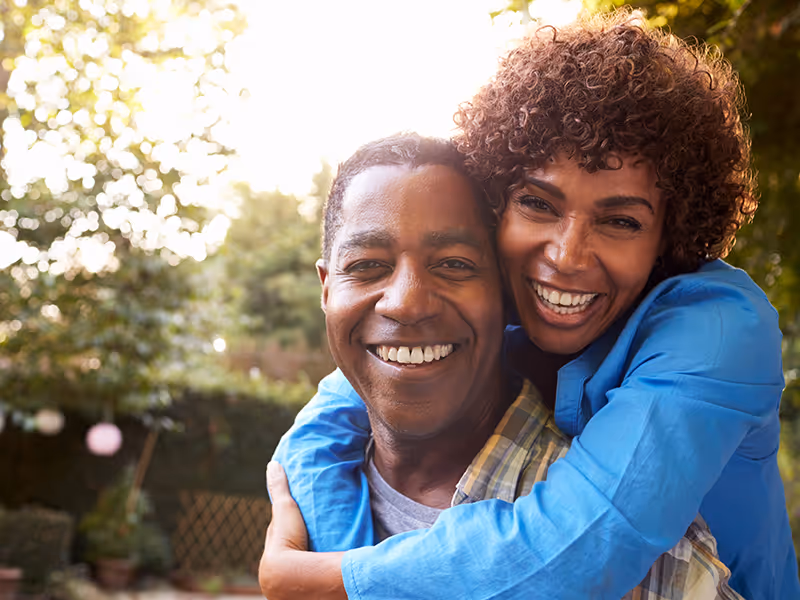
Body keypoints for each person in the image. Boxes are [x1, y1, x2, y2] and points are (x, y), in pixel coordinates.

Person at [261, 10, 799, 600]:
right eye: (538, 204)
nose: (567, 256)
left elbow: (580, 550)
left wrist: (326, 581)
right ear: (499, 207)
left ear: (668, 235)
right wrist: (331, 548)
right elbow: (340, 407)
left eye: (620, 220)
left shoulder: (718, 330)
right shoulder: (506, 294)